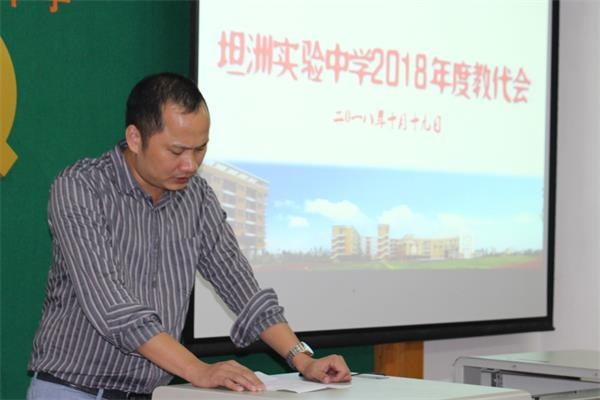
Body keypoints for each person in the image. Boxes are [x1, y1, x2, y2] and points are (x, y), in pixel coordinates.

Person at [27, 72, 351, 399]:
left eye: (200, 149)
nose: (190, 165)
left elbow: (238, 283)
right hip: (74, 389)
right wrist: (198, 370)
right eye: (177, 151)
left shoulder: (197, 197)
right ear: (135, 138)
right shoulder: (80, 187)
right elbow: (112, 306)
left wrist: (303, 359)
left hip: (151, 393)